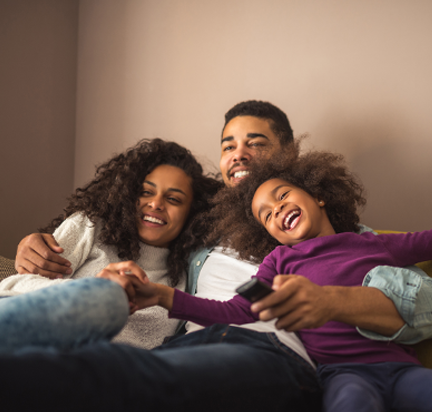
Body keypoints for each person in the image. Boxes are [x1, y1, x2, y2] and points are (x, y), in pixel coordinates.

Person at [2, 100, 430, 411]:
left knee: (123, 378)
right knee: (117, 359)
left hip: (270, 353)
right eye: (227, 145)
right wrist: (36, 242)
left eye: (255, 142)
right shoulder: (195, 222)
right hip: (194, 343)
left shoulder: (344, 237)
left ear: (289, 157)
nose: (238, 154)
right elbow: (129, 224)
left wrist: (328, 300)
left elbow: (422, 306)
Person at [135, 143, 432, 411]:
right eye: (266, 216)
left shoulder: (371, 243)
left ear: (318, 196)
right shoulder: (278, 261)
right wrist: (164, 296)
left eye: (283, 195)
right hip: (342, 374)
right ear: (269, 234)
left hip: (402, 366)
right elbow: (234, 311)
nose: (276, 209)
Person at [0, 138, 221, 350]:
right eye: (145, 192)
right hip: (30, 331)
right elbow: (12, 287)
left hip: (99, 370)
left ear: (192, 213)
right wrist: (92, 293)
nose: (155, 204)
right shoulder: (91, 227)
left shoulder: (185, 278)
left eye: (173, 199)